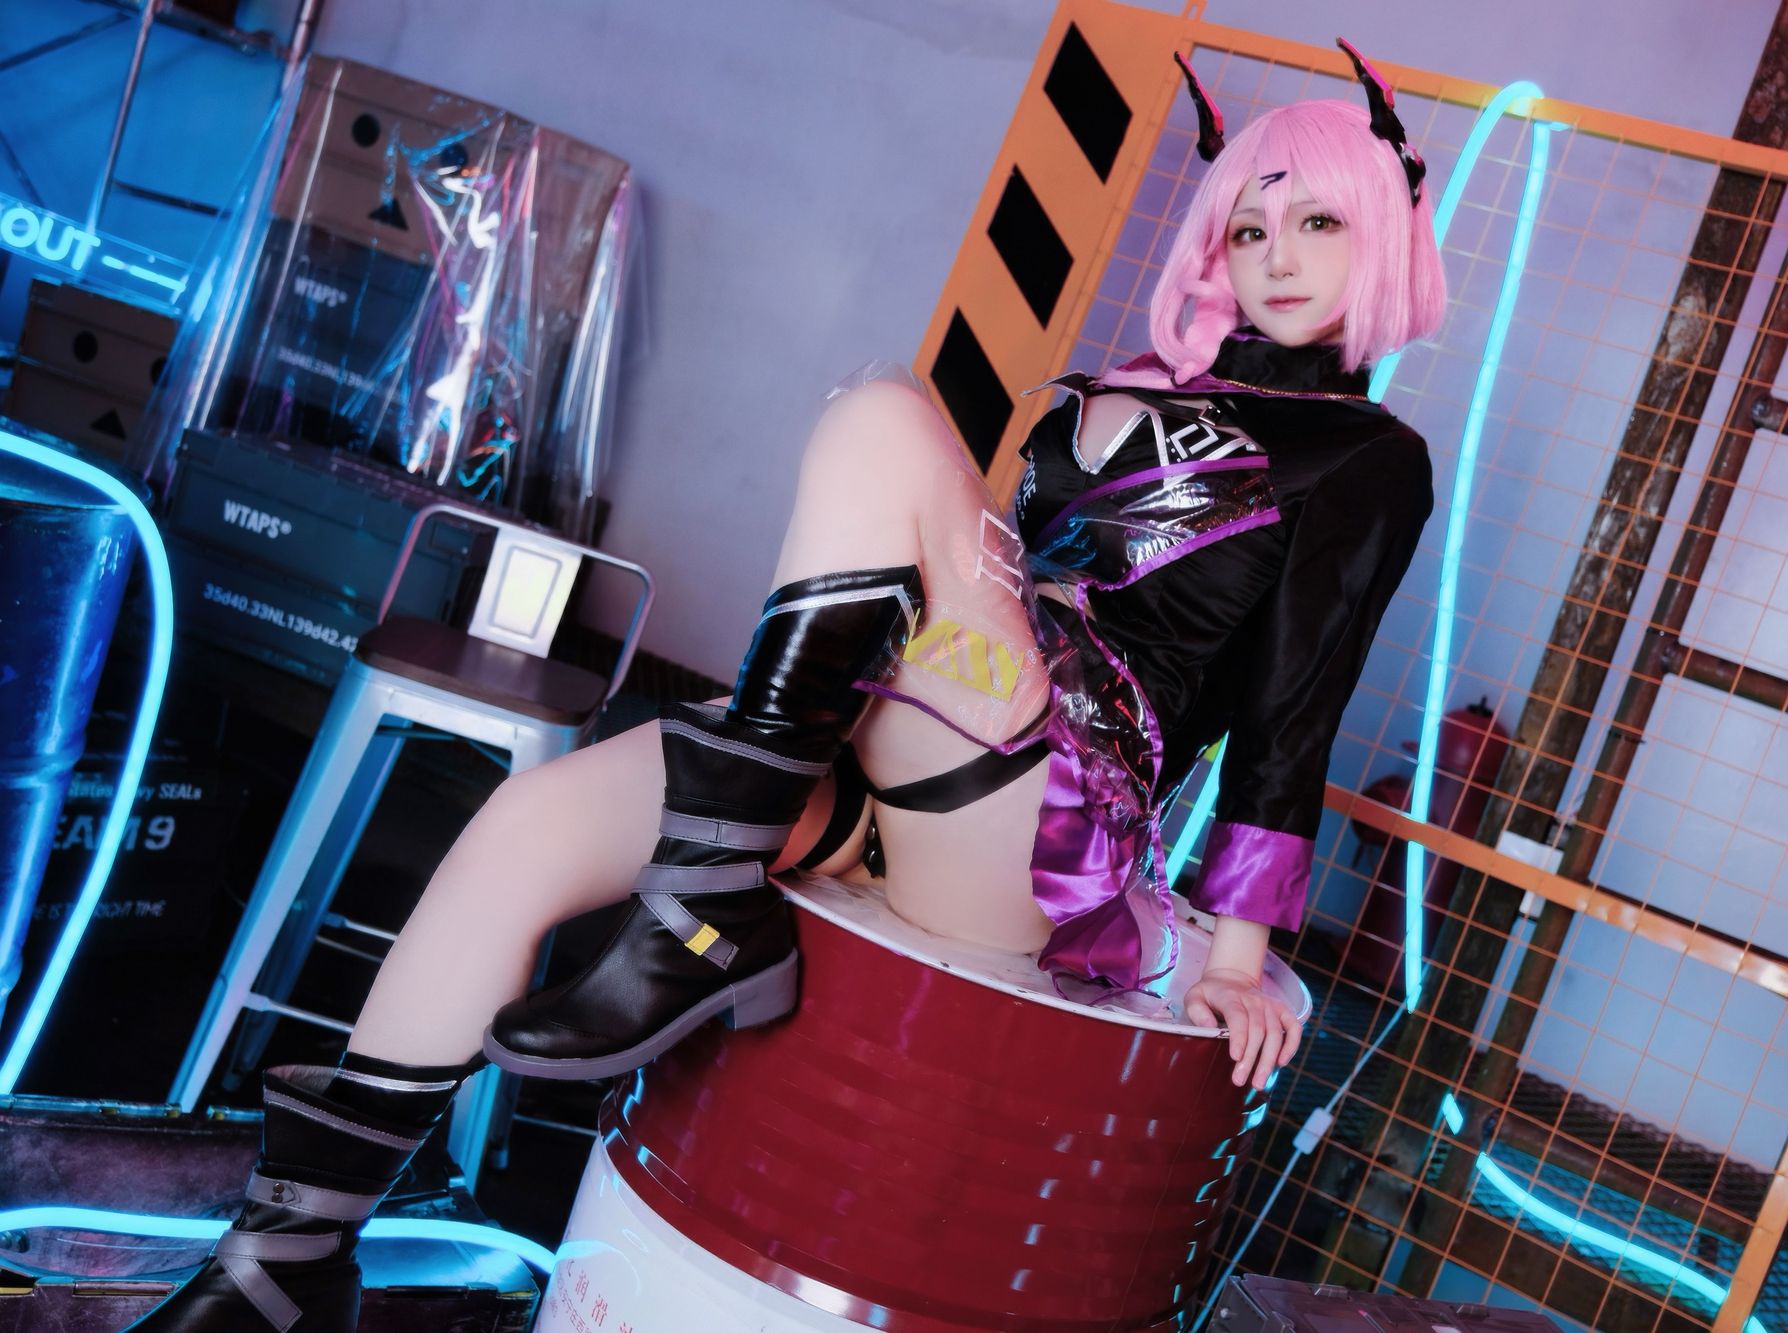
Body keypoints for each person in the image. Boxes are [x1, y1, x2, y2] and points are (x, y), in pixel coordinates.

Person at [126, 39, 1446, 1333]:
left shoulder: (1366, 459)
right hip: (893, 735)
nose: (1276, 255)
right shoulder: (1137, 388)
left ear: (1382, 238)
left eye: (1318, 223)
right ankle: (287, 1261)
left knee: (883, 412)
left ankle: (705, 905)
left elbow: (1294, 709)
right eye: (1248, 226)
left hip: (1046, 804)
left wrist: (1240, 959)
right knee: (527, 824)